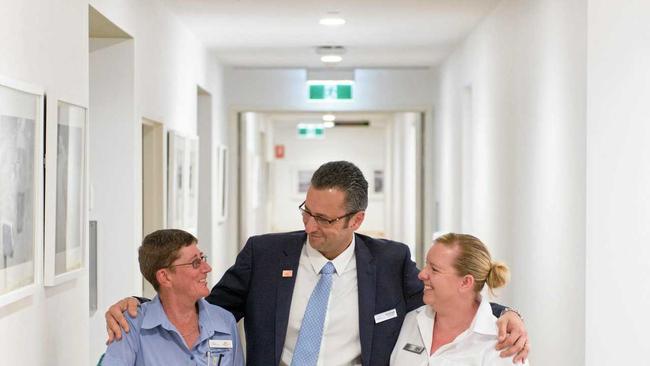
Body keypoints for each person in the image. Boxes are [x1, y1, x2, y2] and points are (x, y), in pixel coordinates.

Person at [105, 161, 529, 365]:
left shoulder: (388, 259)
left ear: (357, 220)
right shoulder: (265, 254)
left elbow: (444, 300)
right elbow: (204, 306)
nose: (310, 226)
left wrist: (506, 313)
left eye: (324, 219)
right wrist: (139, 305)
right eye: (306, 211)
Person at [102, 229, 244, 366]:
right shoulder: (131, 326)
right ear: (165, 277)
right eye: (195, 263)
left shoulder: (225, 322)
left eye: (202, 258)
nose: (207, 268)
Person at [390, 233, 529, 365]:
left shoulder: (503, 345)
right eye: (426, 265)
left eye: (434, 269)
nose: (421, 274)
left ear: (465, 282)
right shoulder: (411, 321)